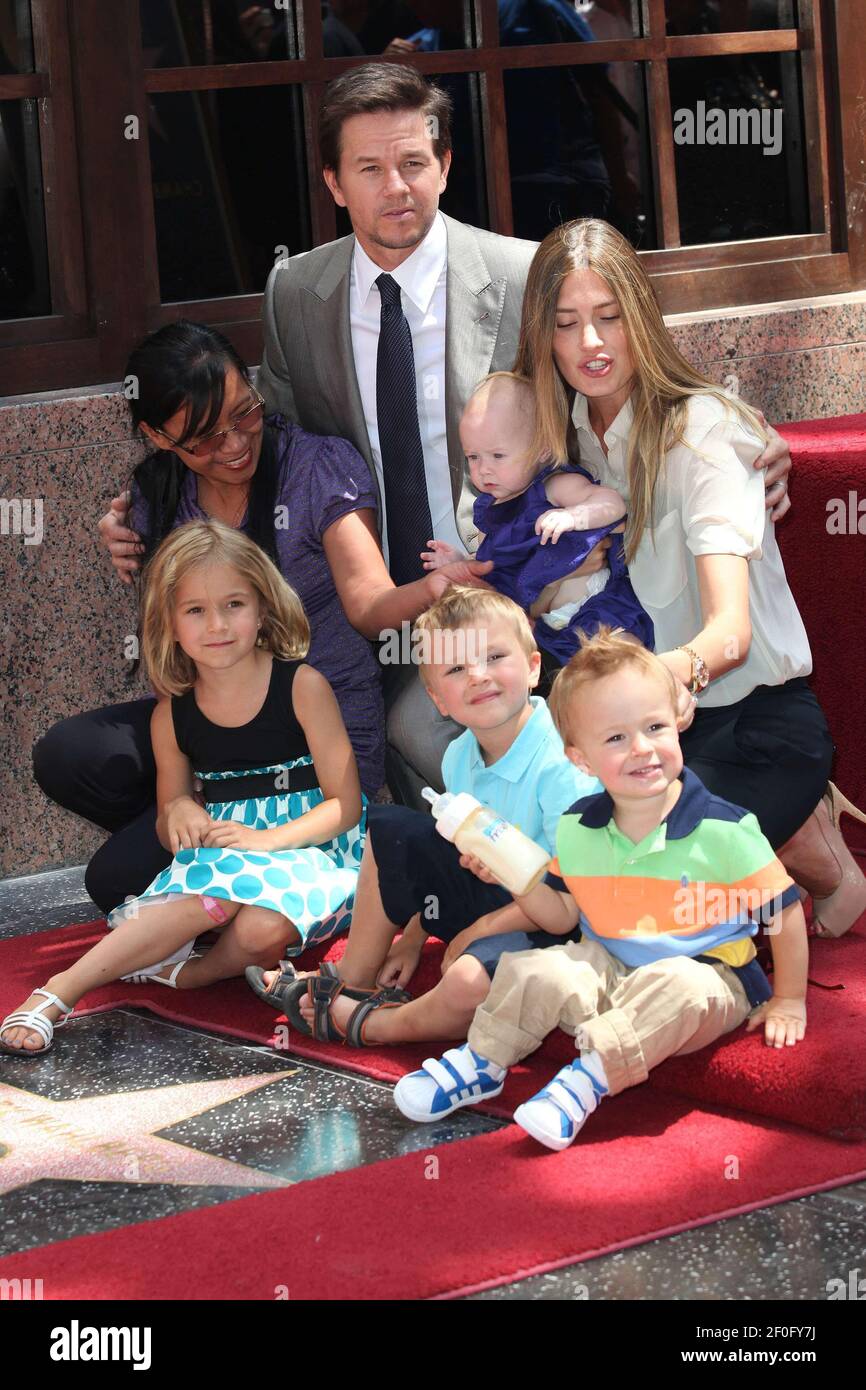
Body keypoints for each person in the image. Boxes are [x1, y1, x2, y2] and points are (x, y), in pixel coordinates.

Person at [97, 64, 792, 801]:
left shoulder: (523, 274)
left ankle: (569, 869)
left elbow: (622, 361)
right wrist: (144, 497)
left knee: (424, 731)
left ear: (445, 166)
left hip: (516, 585)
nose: (395, 187)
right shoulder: (297, 292)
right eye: (369, 168)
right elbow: (254, 416)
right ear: (333, 182)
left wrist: (748, 430)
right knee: (420, 742)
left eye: (413, 163)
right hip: (370, 598)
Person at [34, 321, 482, 914]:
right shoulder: (158, 496)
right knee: (69, 753)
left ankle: (260, 869)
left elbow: (369, 604)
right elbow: (173, 649)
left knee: (115, 882)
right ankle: (220, 848)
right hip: (212, 739)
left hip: (311, 739)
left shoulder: (315, 467)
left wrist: (433, 587)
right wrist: (181, 798)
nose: (234, 444)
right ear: (158, 437)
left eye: (244, 414)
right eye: (203, 438)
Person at [513, 218, 866, 938]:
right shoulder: (563, 437)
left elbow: (729, 633)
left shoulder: (703, 433)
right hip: (648, 729)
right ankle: (776, 852)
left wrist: (645, 682)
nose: (592, 345)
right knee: (577, 883)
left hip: (756, 723)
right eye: (568, 323)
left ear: (641, 317)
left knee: (635, 901)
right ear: (542, 335)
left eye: (610, 317)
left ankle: (801, 839)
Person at [393, 629, 809, 1148]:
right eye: (615, 738)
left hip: (710, 975)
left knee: (682, 987)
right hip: (608, 963)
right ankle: (484, 1061)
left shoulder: (723, 828)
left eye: (654, 727)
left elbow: (784, 912)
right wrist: (515, 877)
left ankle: (587, 1079)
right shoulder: (578, 827)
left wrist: (790, 999)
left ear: (680, 722)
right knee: (533, 967)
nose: (642, 749)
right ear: (580, 759)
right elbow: (562, 915)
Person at [2, 521, 373, 1057]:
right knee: (236, 909)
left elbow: (345, 803)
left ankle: (192, 974)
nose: (217, 624)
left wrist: (270, 841)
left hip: (313, 850)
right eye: (195, 610)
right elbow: (169, 805)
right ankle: (59, 991)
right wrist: (178, 811)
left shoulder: (302, 687)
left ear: (263, 608)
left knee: (265, 928)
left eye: (234, 605)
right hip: (227, 857)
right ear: (169, 624)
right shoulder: (170, 715)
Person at [245, 587, 598, 1047]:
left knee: (468, 978)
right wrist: (414, 937)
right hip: (493, 896)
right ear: (438, 700)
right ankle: (353, 979)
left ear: (533, 667)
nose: (478, 676)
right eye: (456, 668)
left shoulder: (563, 764)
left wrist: (476, 930)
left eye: (494, 656)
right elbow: (450, 853)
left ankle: (382, 1025)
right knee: (391, 826)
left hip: (559, 922)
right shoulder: (458, 757)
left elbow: (567, 902)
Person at [421, 371, 653, 663]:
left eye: (498, 456)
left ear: (541, 447)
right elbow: (495, 568)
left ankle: (652, 690)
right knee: (578, 689)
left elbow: (612, 503)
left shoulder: (553, 487)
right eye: (473, 457)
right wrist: (461, 563)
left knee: (622, 661)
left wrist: (576, 516)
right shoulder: (494, 511)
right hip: (549, 630)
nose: (484, 470)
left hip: (594, 603)